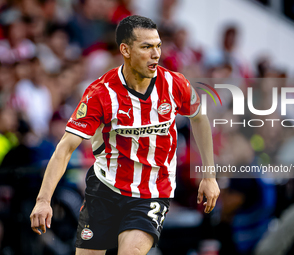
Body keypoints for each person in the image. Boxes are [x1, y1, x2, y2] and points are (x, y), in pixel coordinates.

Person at [30, 15, 220, 255]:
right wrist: (43, 201)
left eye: (158, 45)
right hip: (105, 191)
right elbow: (66, 147)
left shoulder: (174, 84)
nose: (156, 54)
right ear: (125, 50)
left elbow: (200, 119)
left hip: (151, 192)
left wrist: (209, 176)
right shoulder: (101, 94)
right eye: (146, 47)